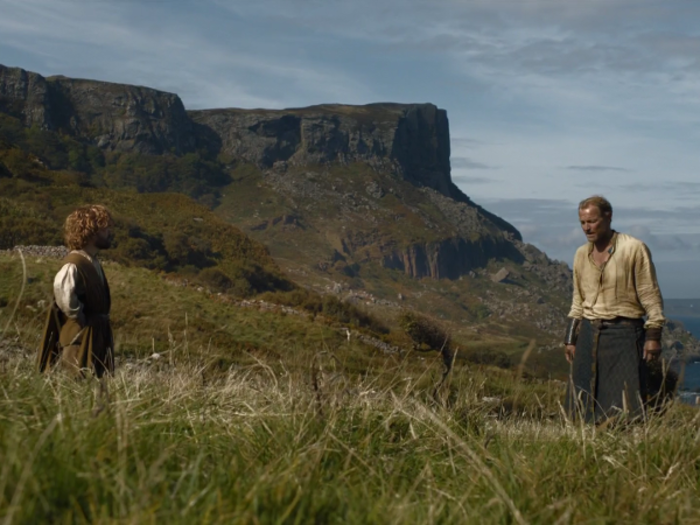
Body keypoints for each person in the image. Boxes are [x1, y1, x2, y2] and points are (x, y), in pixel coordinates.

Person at [564, 195, 665, 423]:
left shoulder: (634, 248)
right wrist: (570, 338)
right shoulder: (581, 254)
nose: (586, 228)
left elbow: (650, 293)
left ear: (608, 217)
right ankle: (584, 447)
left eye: (592, 221)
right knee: (581, 404)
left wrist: (653, 335)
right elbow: (578, 300)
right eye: (582, 222)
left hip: (625, 333)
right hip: (589, 333)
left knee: (624, 407)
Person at [38, 205, 115, 377]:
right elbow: (62, 288)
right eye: (105, 229)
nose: (109, 233)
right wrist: (76, 313)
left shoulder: (92, 261)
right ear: (90, 231)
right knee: (76, 384)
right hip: (80, 337)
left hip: (95, 336)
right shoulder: (74, 263)